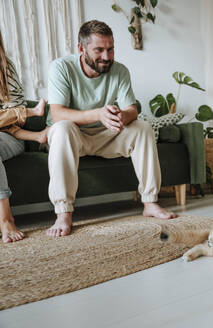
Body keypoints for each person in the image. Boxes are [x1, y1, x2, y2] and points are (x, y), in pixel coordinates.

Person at [46, 20, 176, 237]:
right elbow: (57, 113)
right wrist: (97, 113)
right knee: (62, 128)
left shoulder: (120, 71)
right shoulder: (61, 67)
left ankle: (150, 202)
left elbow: (132, 110)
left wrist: (121, 116)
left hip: (107, 134)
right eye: (99, 50)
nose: (107, 57)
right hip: (74, 136)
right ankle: (63, 212)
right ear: (81, 48)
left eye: (110, 49)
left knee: (142, 127)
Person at [0, 30, 49, 243]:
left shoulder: (5, 68)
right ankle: (37, 135)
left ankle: (6, 219)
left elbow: (14, 121)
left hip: (9, 136)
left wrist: (20, 114)